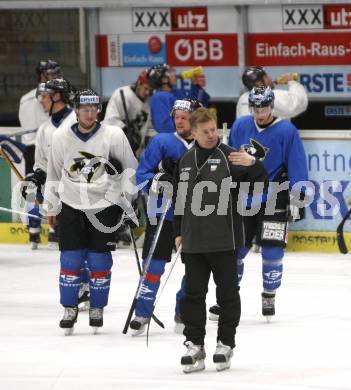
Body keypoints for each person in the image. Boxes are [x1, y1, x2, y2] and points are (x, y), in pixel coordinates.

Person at [173, 107, 267, 373]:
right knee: (192, 296)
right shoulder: (185, 159)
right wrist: (177, 232)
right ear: (193, 133)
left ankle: (225, 343)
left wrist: (254, 165)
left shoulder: (230, 157)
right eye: (206, 131)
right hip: (193, 242)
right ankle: (194, 344)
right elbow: (180, 200)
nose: (212, 135)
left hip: (225, 241)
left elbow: (260, 183)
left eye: (214, 129)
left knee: (227, 295)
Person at [209, 86, 308, 323]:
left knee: (273, 249)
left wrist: (298, 195)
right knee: (235, 250)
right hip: (245, 196)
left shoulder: (286, 130)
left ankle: (269, 294)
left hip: (275, 196)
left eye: (264, 107)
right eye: (256, 107)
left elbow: (296, 163)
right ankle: (227, 297)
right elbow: (230, 159)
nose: (260, 112)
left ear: (272, 106)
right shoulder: (242, 125)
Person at [44, 89, 138, 335]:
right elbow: (53, 173)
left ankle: (97, 307)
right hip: (71, 204)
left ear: (99, 110)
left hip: (104, 206)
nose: (89, 113)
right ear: (76, 110)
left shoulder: (114, 135)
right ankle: (69, 307)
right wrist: (51, 206)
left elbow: (130, 170)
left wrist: (128, 202)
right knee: (71, 259)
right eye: (84, 108)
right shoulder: (61, 136)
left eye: (93, 108)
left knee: (99, 260)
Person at [129, 98, 202, 336]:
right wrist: (162, 179)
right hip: (163, 215)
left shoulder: (206, 144)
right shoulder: (161, 141)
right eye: (177, 117)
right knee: (154, 267)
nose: (179, 121)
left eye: (184, 117)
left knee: (195, 270)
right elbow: (141, 176)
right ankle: (143, 312)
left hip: (194, 218)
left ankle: (184, 310)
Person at [21, 78, 76, 250]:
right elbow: (42, 164)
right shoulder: (44, 129)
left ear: (57, 96)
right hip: (60, 199)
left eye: (44, 96)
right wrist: (36, 177)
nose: (40, 101)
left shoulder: (77, 121)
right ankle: (37, 230)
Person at [18, 59, 62, 175]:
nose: (55, 77)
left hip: (51, 150)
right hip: (36, 151)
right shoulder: (30, 99)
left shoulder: (58, 94)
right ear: (41, 76)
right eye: (52, 74)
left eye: (57, 73)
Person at [147, 64, 210, 134]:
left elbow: (195, 107)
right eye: (171, 71)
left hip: (184, 138)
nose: (175, 74)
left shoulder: (174, 92)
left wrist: (194, 85)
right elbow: (165, 128)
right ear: (164, 79)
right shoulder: (159, 98)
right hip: (174, 141)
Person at [104, 69, 153, 157]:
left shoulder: (148, 105)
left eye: (150, 90)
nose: (147, 93)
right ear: (139, 84)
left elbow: (147, 130)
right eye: (145, 88)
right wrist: (126, 133)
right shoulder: (122, 94)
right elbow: (110, 121)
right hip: (113, 149)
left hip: (135, 154)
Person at [236, 66, 308, 119]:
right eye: (266, 77)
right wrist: (292, 82)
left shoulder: (243, 99)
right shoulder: (269, 96)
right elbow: (298, 103)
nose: (270, 78)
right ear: (259, 83)